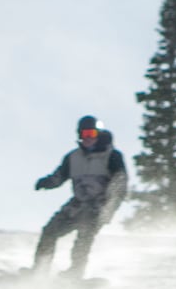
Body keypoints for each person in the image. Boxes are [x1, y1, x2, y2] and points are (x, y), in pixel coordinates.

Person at [31, 115, 127, 277]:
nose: (88, 138)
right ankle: (40, 270)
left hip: (99, 204)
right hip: (77, 203)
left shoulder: (111, 156)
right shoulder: (73, 157)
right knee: (50, 231)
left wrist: (110, 207)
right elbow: (59, 177)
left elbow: (120, 182)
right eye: (84, 134)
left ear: (99, 134)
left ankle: (76, 272)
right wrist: (45, 182)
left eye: (92, 134)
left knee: (85, 235)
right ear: (79, 135)